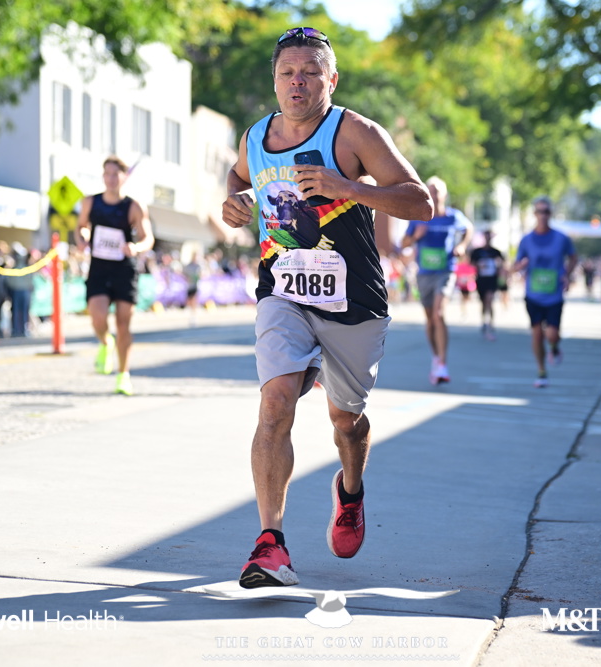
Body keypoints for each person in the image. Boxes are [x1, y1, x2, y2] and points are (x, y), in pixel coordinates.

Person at [222, 26, 432, 588]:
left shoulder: (354, 132)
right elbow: (238, 177)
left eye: (311, 72)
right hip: (283, 291)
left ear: (331, 80)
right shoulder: (256, 135)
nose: (298, 82)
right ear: (274, 80)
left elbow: (420, 202)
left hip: (352, 302)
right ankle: (270, 544)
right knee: (275, 403)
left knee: (346, 422)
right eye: (288, 73)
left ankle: (351, 491)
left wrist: (350, 188)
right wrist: (234, 201)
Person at [76, 155, 154, 396]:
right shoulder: (90, 202)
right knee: (97, 316)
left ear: (124, 177)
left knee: (123, 323)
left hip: (124, 269)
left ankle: (123, 375)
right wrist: (82, 239)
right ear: (103, 176)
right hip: (99, 267)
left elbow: (148, 238)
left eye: (115, 174)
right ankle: (105, 342)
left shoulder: (134, 206)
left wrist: (136, 247)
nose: (110, 179)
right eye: (107, 174)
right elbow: (80, 227)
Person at [401, 176, 473, 384]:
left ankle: (442, 362)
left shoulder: (453, 216)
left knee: (439, 313)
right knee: (430, 319)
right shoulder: (418, 217)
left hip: (446, 271)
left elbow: (468, 228)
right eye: (431, 190)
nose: (434, 194)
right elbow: (403, 243)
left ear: (445, 194)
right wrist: (416, 236)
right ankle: (435, 357)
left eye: (438, 191)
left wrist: (461, 246)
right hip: (424, 274)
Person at [512, 197, 576, 388]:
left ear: (550, 214)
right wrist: (520, 266)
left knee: (552, 334)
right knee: (537, 333)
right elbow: (515, 265)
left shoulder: (561, 238)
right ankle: (541, 371)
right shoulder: (526, 240)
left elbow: (573, 257)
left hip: (554, 294)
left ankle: (554, 346)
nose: (543, 215)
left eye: (546, 211)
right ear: (534, 214)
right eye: (539, 211)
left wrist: (567, 275)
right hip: (533, 294)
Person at [470, 228, 505, 341]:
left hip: (492, 279)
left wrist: (500, 270)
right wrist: (479, 265)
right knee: (483, 302)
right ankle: (484, 321)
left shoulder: (496, 252)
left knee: (489, 299)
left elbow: (502, 264)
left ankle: (490, 322)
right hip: (481, 280)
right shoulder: (477, 252)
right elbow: (471, 264)